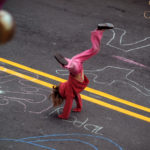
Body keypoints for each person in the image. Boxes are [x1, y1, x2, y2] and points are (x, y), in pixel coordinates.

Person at [50, 23, 114, 119]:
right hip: (78, 62)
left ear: (61, 96)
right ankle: (99, 30)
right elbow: (78, 97)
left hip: (76, 71)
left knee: (72, 66)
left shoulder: (68, 92)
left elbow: (68, 104)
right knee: (94, 50)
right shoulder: (69, 89)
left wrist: (64, 115)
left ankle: (66, 63)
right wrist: (79, 107)